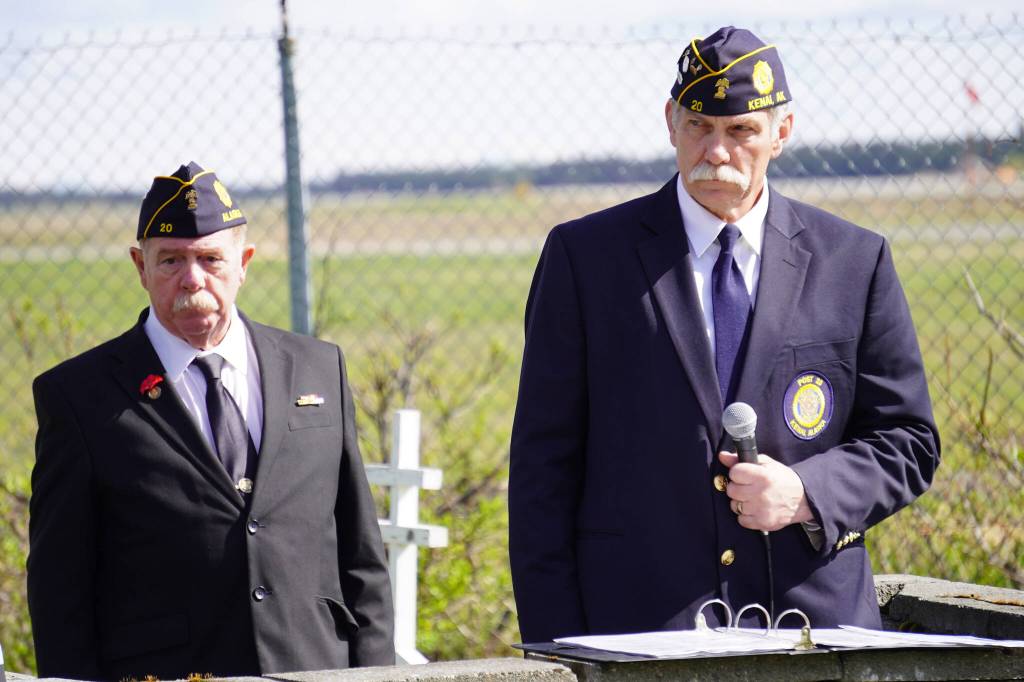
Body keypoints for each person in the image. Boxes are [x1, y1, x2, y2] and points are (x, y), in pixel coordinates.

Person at [508, 26, 940, 643]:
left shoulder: (854, 262)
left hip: (811, 632)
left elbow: (908, 440)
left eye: (740, 131)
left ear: (781, 133)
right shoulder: (586, 259)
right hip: (639, 634)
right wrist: (555, 647)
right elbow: (542, 472)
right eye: (698, 127)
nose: (715, 152)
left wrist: (807, 492)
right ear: (670, 122)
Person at [28, 162, 394, 680]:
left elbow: (362, 558)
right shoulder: (79, 396)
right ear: (140, 266)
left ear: (243, 263)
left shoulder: (318, 368)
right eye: (171, 260)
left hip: (311, 666)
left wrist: (379, 676)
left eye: (210, 259)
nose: (192, 279)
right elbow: (59, 588)